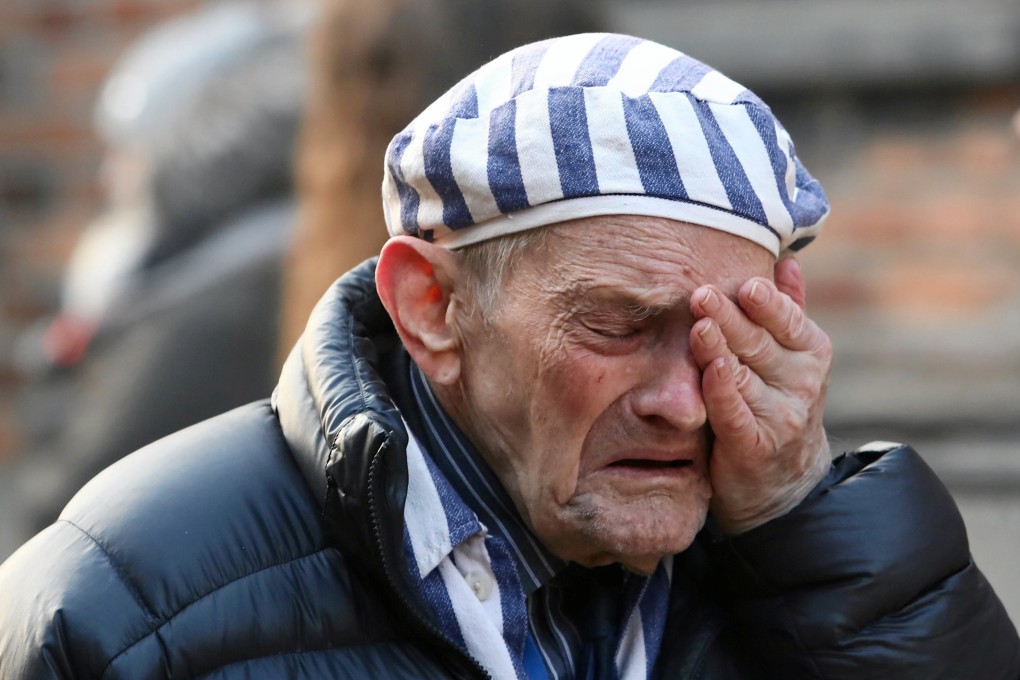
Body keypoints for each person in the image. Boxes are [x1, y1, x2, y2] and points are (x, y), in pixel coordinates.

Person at [1, 33, 1017, 679]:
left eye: (730, 334)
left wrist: (806, 520)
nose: (685, 401)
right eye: (618, 324)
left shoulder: (784, 562)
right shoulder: (124, 610)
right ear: (432, 306)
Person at [1, 0, 313, 556]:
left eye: (127, 151)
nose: (108, 176)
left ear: (191, 148)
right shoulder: (224, 271)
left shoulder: (215, 308)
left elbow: (60, 521)